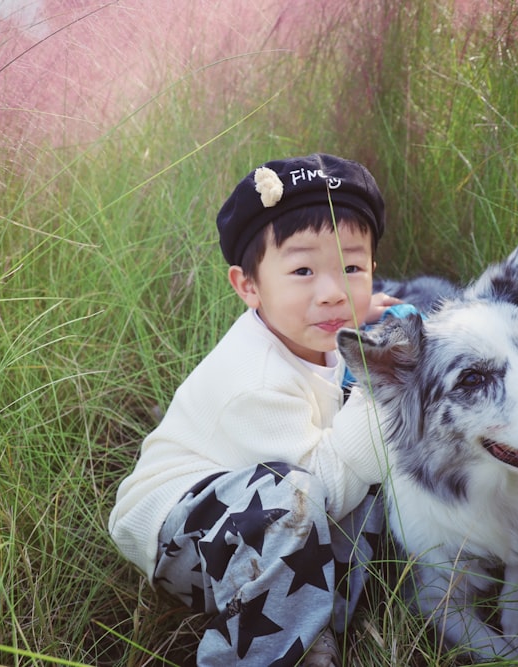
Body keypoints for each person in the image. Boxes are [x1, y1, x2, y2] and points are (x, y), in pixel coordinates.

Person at [109, 153, 399, 666]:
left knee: (381, 489)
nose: (333, 293)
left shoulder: (320, 331)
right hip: (184, 534)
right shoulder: (254, 379)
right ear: (248, 286)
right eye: (303, 270)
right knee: (298, 496)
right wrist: (387, 390)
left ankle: (322, 623)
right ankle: (258, 655)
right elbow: (324, 483)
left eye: (351, 268)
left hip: (257, 524)